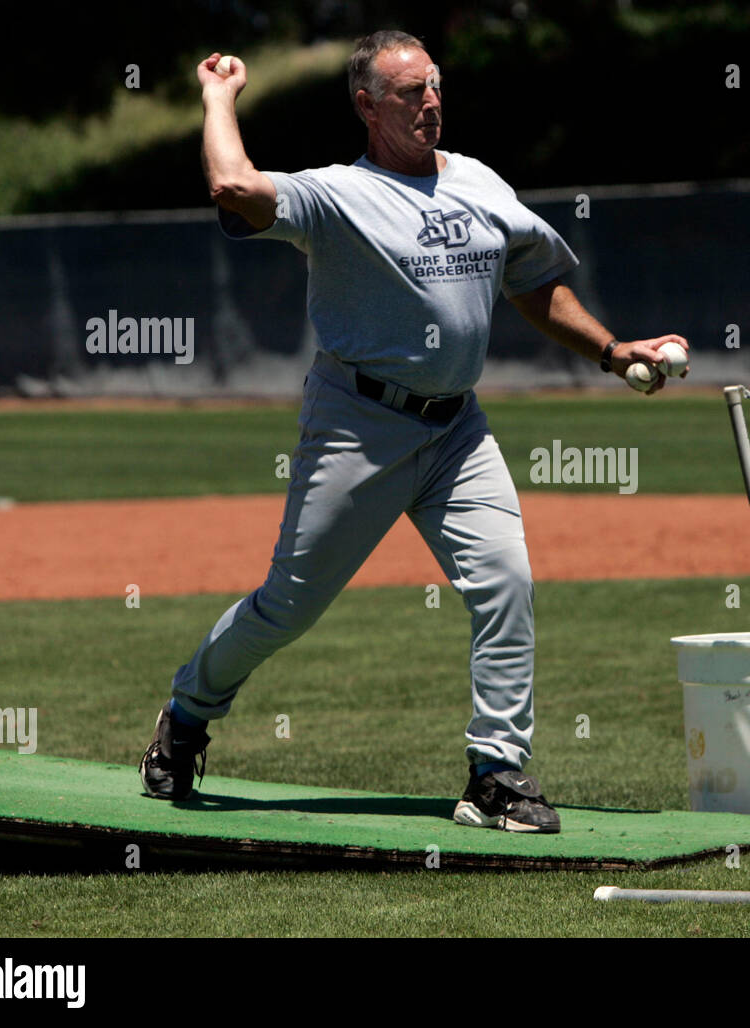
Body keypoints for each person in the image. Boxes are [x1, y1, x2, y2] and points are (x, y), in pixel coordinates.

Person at [138, 31, 689, 834]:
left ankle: (497, 775)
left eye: (434, 85)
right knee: (287, 606)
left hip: (457, 430)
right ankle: (188, 711)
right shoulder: (334, 195)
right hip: (357, 426)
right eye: (408, 92)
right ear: (367, 106)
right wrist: (219, 98)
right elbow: (231, 185)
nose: (430, 101)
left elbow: (533, 282)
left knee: (505, 581)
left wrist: (610, 349)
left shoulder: (477, 181)